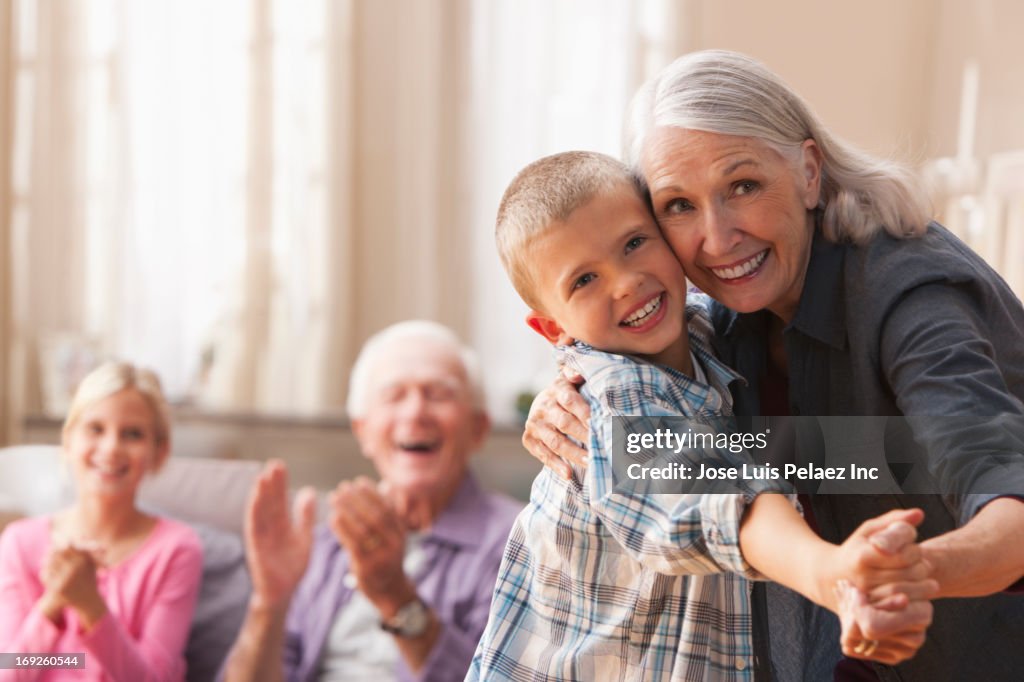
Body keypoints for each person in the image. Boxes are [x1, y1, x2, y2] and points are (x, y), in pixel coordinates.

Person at [523, 50, 1024, 680]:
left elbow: (1004, 489)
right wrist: (581, 387)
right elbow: (815, 453)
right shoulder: (721, 316)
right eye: (679, 205)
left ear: (810, 171)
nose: (718, 237)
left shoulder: (912, 294)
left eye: (744, 186)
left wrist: (894, 581)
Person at [469, 151, 934, 681]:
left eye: (635, 243)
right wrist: (828, 572)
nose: (625, 282)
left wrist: (918, 456)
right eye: (584, 281)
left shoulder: (708, 338)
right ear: (553, 329)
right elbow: (710, 495)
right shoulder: (613, 398)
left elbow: (768, 450)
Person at [222, 320, 522, 682]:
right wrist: (269, 603)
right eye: (393, 395)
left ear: (478, 428)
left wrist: (395, 595)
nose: (415, 412)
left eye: (439, 394)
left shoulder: (522, 542)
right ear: (363, 431)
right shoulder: (321, 546)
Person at [0, 362, 203, 681]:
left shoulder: (177, 549)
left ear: (158, 452)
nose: (111, 449)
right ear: (68, 440)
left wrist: (91, 606)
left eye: (132, 434)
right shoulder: (19, 543)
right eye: (95, 429)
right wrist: (55, 601)